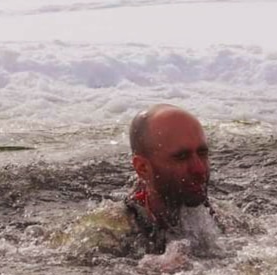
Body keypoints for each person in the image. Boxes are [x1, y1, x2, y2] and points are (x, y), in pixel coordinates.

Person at [52, 104, 229, 265]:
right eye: (181, 157)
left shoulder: (218, 216)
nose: (199, 169)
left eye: (202, 153)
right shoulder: (108, 231)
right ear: (143, 168)